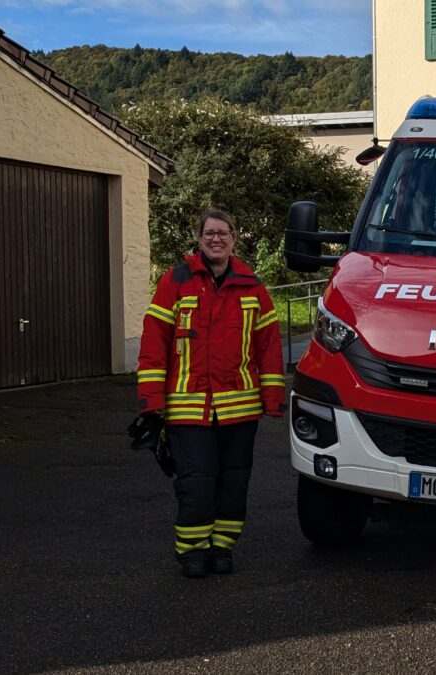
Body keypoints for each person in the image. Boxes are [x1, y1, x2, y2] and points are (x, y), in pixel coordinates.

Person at [136, 209, 286, 578]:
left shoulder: (253, 286)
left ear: (234, 238)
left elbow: (268, 348)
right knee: (196, 482)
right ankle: (191, 551)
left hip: (240, 409)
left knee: (234, 482)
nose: (215, 239)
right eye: (209, 233)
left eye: (223, 233)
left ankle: (223, 548)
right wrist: (151, 400)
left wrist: (273, 398)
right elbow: (154, 342)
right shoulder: (175, 282)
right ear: (199, 238)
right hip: (188, 407)